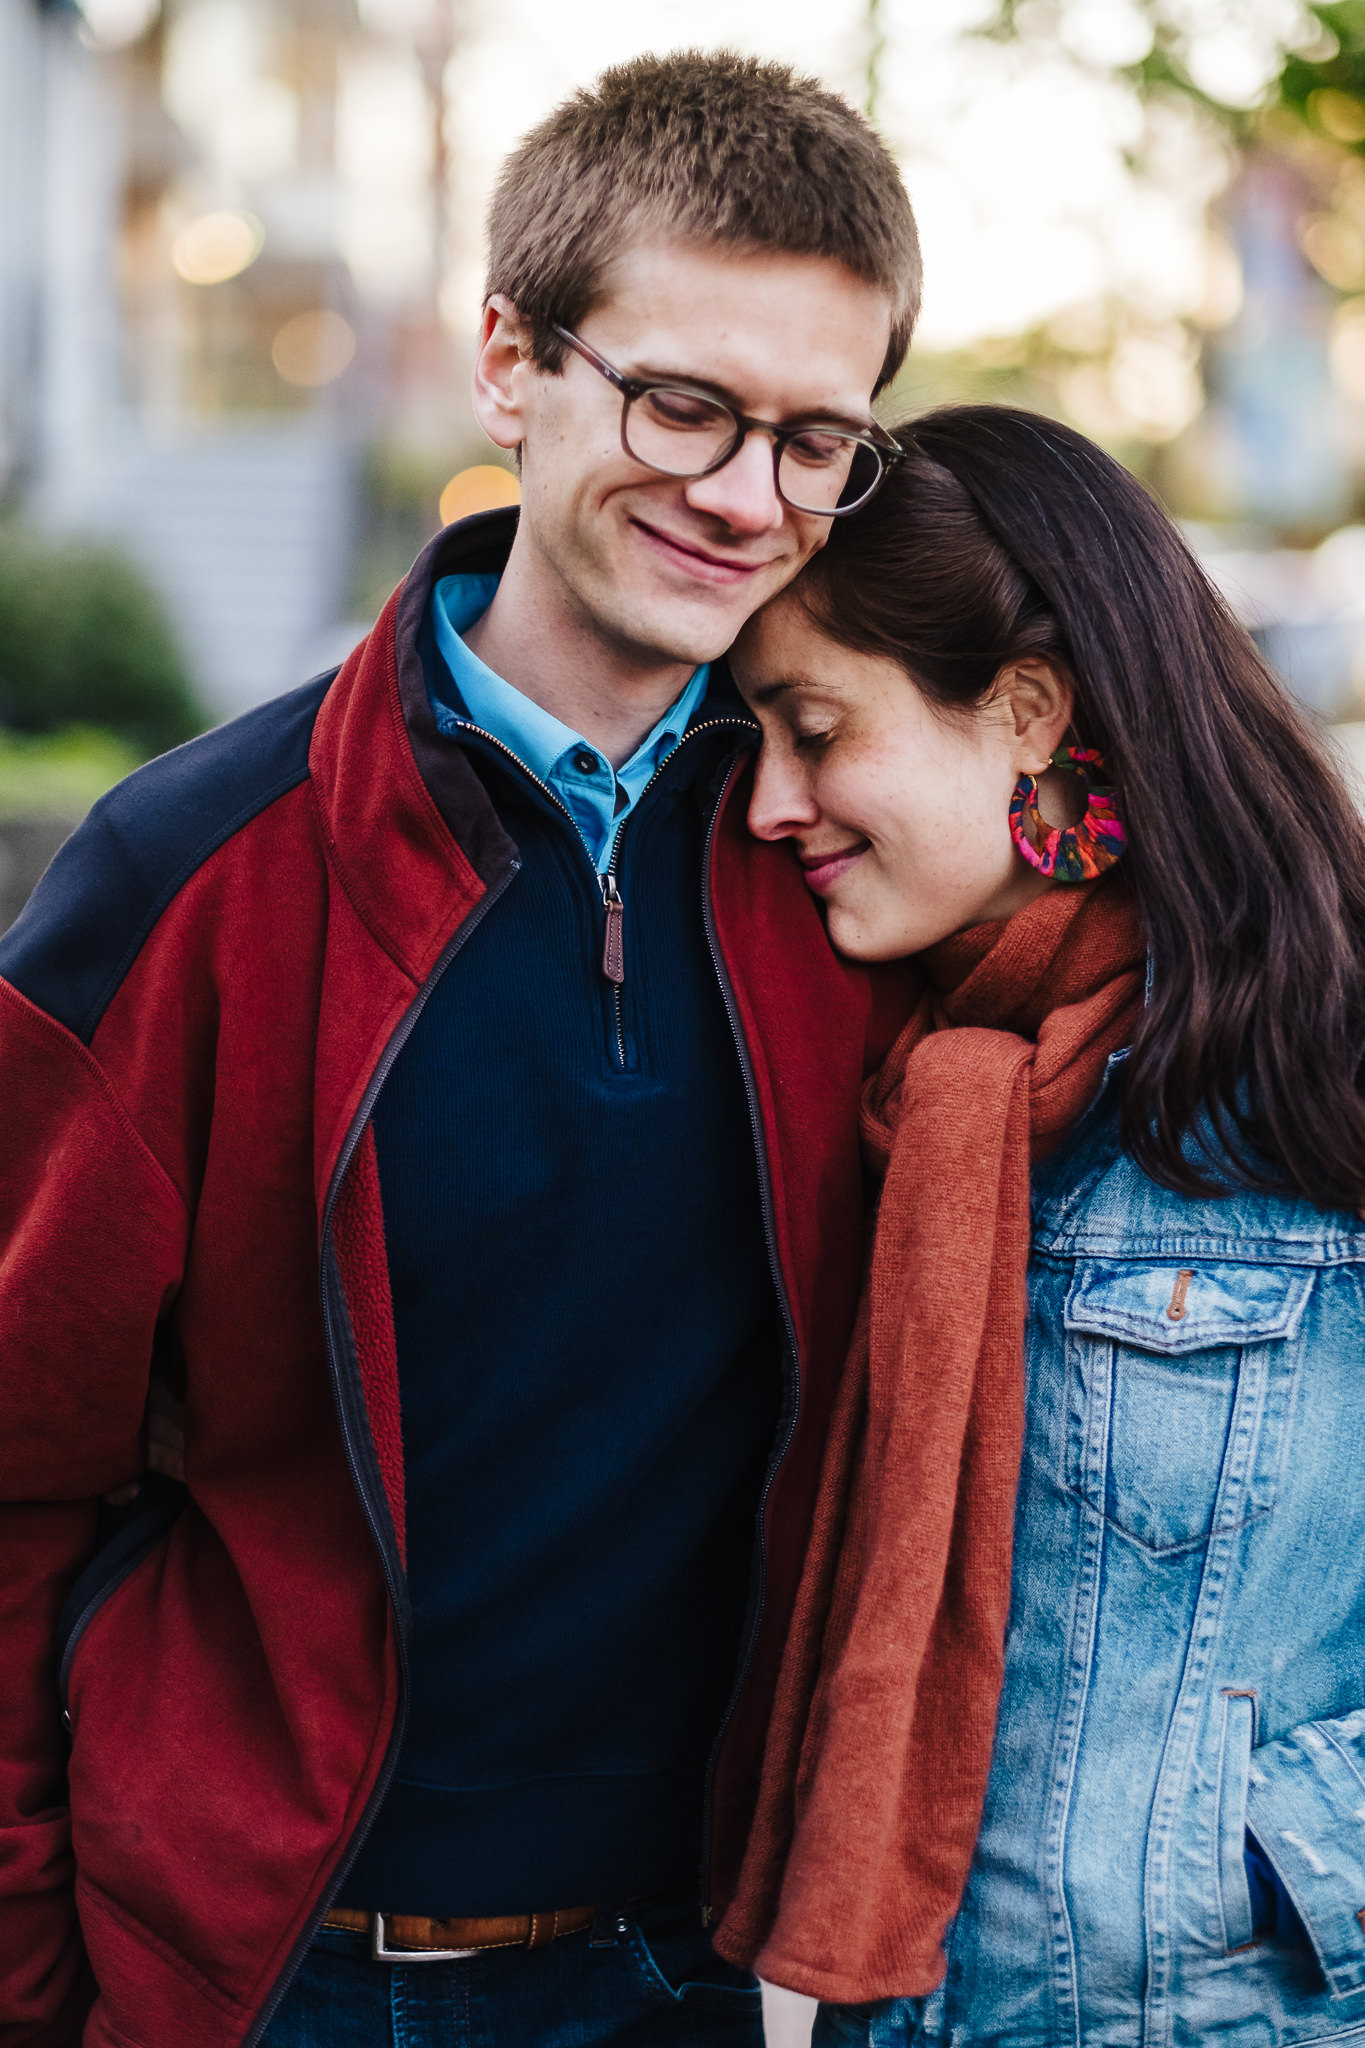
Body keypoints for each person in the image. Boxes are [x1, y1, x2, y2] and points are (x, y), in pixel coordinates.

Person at [0, 52, 921, 2048]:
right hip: (277, 1978)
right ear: (510, 359)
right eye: (682, 402)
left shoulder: (853, 884)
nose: (744, 496)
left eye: (816, 438)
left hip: (685, 1972)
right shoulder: (183, 878)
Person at [714, 405, 1365, 2048]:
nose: (769, 807)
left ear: (1020, 712)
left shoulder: (1317, 1060)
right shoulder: (886, 1086)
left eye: (814, 730)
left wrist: (1272, 1866)